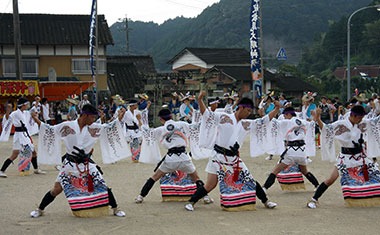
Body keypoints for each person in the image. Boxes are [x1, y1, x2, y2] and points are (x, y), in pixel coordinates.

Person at [184, 91, 279, 211]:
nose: (248, 113)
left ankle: (266, 201)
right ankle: (191, 202)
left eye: (250, 112)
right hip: (218, 156)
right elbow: (206, 114)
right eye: (248, 110)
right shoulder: (224, 117)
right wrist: (200, 100)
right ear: (241, 107)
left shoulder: (245, 123)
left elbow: (264, 121)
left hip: (233, 158)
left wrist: (276, 109)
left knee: (249, 179)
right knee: (210, 185)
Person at [29, 104, 129, 217]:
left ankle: (115, 208)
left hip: (86, 163)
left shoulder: (94, 127)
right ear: (85, 115)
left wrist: (120, 117)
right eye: (92, 117)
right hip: (70, 164)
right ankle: (40, 209)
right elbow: (50, 130)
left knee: (102, 185)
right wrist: (35, 119)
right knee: (56, 189)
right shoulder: (67, 126)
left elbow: (109, 127)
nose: (94, 120)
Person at [307, 105, 380, 209]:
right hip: (345, 157)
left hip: (361, 156)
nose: (361, 120)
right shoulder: (341, 124)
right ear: (353, 115)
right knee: (331, 179)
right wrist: (318, 118)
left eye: (362, 118)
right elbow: (326, 129)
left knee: (376, 175)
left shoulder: (364, 122)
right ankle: (314, 199)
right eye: (359, 118)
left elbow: (376, 121)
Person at [135, 108, 212, 204]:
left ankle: (140, 196)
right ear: (171, 116)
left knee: (154, 177)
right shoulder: (182, 124)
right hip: (184, 158)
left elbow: (147, 133)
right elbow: (195, 127)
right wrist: (200, 117)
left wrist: (139, 120)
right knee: (196, 178)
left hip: (170, 159)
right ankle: (205, 197)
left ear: (161, 119)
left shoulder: (161, 129)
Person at [262, 107, 319, 192]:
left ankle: (265, 187)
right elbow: (313, 124)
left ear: (288, 114)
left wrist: (263, 113)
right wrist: (316, 116)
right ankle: (317, 185)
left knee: (275, 170)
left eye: (285, 115)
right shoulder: (303, 122)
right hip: (302, 152)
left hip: (291, 151)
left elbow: (272, 121)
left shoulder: (287, 122)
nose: (284, 117)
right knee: (304, 171)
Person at [0, 98, 46, 178]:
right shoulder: (15, 113)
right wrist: (8, 110)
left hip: (24, 135)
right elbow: (8, 119)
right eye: (26, 104)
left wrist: (37, 102)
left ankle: (36, 169)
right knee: (15, 154)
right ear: (23, 105)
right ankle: (2, 170)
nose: (28, 106)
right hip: (19, 135)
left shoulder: (25, 113)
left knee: (33, 152)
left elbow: (32, 111)